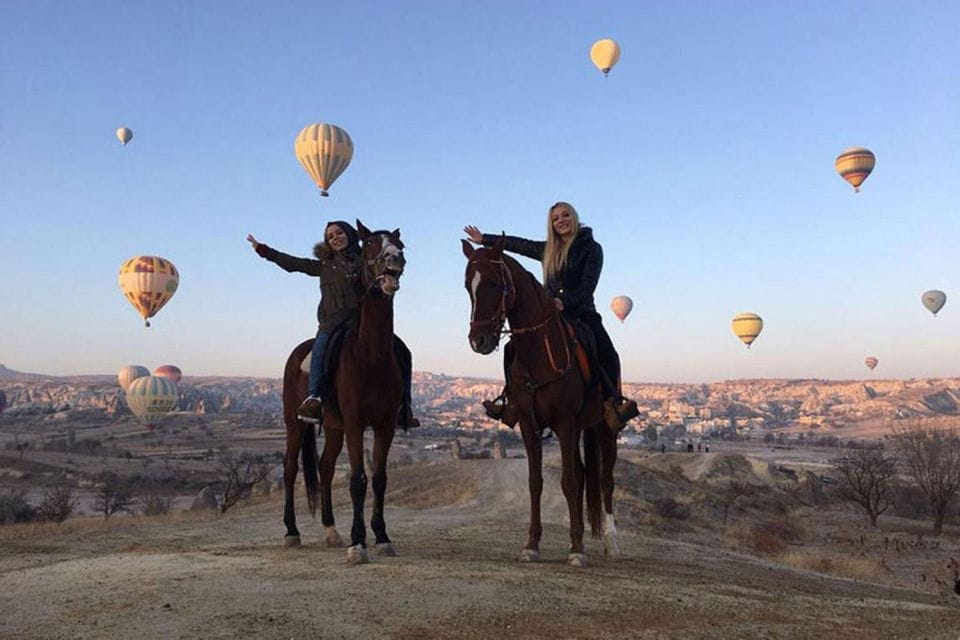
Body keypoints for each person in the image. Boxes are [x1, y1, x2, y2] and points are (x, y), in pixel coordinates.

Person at [464, 202, 639, 430]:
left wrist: (565, 301)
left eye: (565, 215)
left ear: (573, 217)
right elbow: (520, 245)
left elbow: (588, 285)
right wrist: (484, 239)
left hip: (581, 313)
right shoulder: (548, 250)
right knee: (512, 348)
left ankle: (613, 404)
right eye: (555, 218)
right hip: (548, 314)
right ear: (552, 224)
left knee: (606, 351)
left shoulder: (591, 248)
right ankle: (510, 401)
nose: (561, 221)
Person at [247, 221, 418, 428]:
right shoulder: (324, 266)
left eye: (339, 233)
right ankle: (314, 398)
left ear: (350, 234)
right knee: (319, 351)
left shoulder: (364, 263)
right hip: (332, 323)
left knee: (403, 351)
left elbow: (382, 271)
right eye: (330, 236)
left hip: (360, 323)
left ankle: (404, 406)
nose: (335, 237)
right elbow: (292, 263)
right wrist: (264, 250)